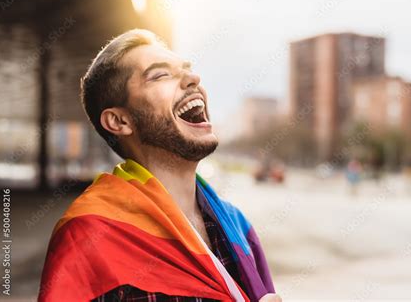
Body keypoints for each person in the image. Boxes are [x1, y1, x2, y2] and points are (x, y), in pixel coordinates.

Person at [38, 29, 279, 302]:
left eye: (187, 69)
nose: (193, 78)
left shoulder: (239, 226)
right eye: (161, 75)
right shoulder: (90, 234)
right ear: (120, 122)